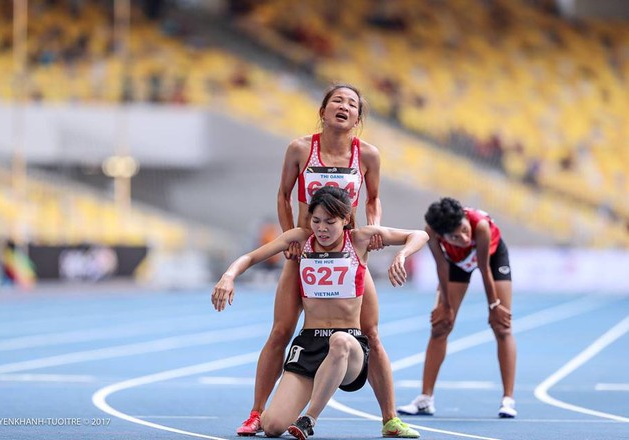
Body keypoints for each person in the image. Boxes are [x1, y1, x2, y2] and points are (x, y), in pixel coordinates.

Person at [237, 83, 415, 437]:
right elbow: (283, 195)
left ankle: (390, 419)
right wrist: (291, 239)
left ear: (358, 118)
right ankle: (257, 413)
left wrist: (375, 228)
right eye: (337, 100)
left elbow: (373, 199)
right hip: (306, 251)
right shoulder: (300, 149)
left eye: (351, 104)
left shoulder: (368, 155)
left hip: (347, 254)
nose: (343, 107)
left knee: (372, 334)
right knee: (280, 332)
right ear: (323, 110)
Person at [212, 186, 428, 439]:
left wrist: (401, 255)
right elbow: (250, 257)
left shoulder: (360, 239)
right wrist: (228, 276)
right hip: (309, 345)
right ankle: (283, 406)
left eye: (330, 222)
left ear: (346, 220)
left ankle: (310, 418)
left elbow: (420, 235)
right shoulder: (301, 239)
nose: (322, 228)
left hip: (349, 346)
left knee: (340, 341)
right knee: (272, 427)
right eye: (316, 220)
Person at [397, 197, 517, 418]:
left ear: (465, 219)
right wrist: (447, 306)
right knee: (441, 326)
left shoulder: (479, 225)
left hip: (490, 258)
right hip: (455, 263)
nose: (463, 237)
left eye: (463, 229)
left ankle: (508, 399)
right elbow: (441, 266)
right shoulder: (431, 232)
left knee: (501, 325)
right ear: (442, 236)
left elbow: (483, 268)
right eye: (455, 237)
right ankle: (425, 399)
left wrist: (494, 305)